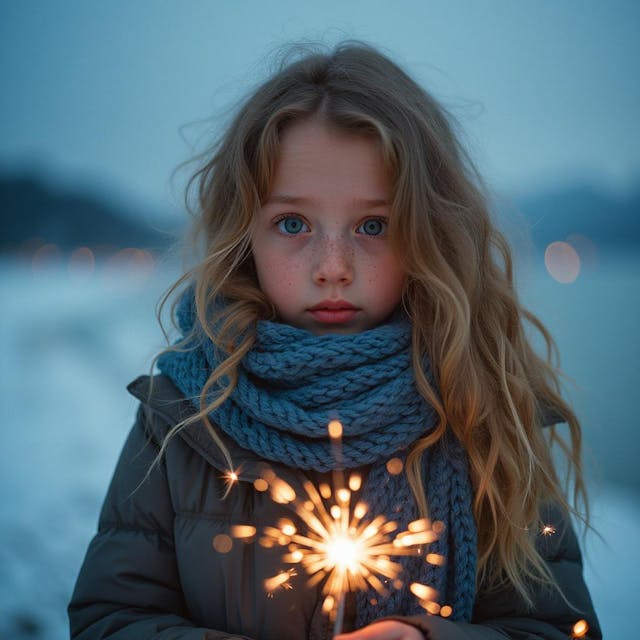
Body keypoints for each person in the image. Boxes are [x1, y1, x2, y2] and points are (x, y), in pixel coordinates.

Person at [68, 43, 601, 639]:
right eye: (292, 224)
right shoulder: (185, 414)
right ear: (246, 234)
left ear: (429, 233)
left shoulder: (483, 406)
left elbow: (558, 629)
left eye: (373, 225)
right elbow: (109, 620)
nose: (333, 267)